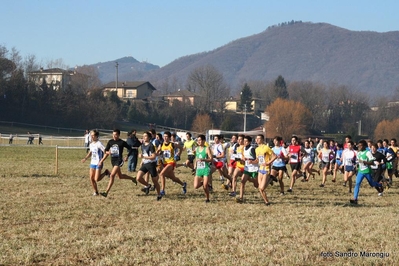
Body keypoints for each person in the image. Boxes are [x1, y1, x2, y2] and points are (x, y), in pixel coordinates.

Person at [98, 129, 138, 197]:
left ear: (119, 135)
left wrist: (127, 156)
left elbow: (130, 149)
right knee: (120, 176)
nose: (114, 136)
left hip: (119, 160)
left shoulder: (122, 142)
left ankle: (106, 192)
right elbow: (105, 151)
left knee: (112, 175)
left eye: (115, 135)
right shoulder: (110, 142)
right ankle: (133, 179)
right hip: (113, 160)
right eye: (113, 134)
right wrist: (108, 152)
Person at [350, 140, 383, 204]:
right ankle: (355, 199)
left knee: (372, 184)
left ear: (364, 146)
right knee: (357, 184)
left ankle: (380, 184)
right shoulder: (358, 153)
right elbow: (358, 161)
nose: (359, 147)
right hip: (360, 171)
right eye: (358, 145)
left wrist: (364, 162)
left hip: (367, 171)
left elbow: (372, 162)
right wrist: (355, 163)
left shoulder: (368, 152)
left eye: (361, 145)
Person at [81, 129, 110, 196]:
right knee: (91, 178)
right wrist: (85, 158)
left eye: (93, 135)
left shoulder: (99, 144)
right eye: (91, 136)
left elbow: (106, 152)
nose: (92, 137)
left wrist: (101, 161)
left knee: (96, 179)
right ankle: (96, 192)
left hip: (98, 163)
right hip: (92, 163)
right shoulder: (91, 144)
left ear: (97, 136)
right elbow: (90, 152)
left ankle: (106, 172)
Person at [157, 131, 187, 196]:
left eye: (166, 136)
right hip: (164, 163)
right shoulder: (161, 145)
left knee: (161, 174)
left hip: (171, 162)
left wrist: (179, 154)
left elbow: (181, 148)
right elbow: (157, 153)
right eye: (164, 136)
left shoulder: (173, 144)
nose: (165, 138)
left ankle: (162, 191)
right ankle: (183, 184)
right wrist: (158, 152)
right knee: (173, 178)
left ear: (169, 137)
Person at [136, 131, 162, 200]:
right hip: (145, 163)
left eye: (145, 136)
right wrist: (142, 161)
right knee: (138, 178)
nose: (144, 137)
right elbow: (144, 154)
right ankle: (147, 185)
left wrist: (143, 157)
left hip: (151, 164)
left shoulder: (151, 145)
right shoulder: (142, 145)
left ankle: (159, 194)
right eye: (143, 136)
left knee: (155, 181)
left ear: (149, 137)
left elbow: (153, 156)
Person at [236, 135, 259, 203]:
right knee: (242, 182)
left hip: (254, 169)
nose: (244, 142)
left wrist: (250, 160)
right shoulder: (243, 149)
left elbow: (256, 159)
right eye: (244, 141)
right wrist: (241, 160)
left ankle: (258, 184)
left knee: (256, 185)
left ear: (249, 142)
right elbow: (244, 160)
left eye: (246, 141)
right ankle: (241, 198)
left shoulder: (252, 149)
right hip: (247, 169)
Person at [255, 134, 276, 205]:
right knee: (260, 188)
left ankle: (270, 179)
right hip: (260, 169)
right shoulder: (256, 149)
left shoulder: (266, 148)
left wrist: (268, 163)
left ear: (262, 140)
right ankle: (267, 202)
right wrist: (251, 161)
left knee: (261, 188)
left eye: (259, 138)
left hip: (266, 169)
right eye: (256, 138)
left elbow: (274, 156)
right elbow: (258, 160)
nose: (257, 140)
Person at [193, 134, 213, 203]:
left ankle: (207, 199)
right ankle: (205, 182)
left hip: (205, 169)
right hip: (199, 169)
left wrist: (204, 160)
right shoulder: (196, 149)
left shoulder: (207, 148)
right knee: (195, 186)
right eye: (198, 140)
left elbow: (211, 159)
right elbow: (196, 158)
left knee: (205, 187)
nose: (198, 141)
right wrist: (195, 166)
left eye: (200, 140)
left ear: (204, 141)